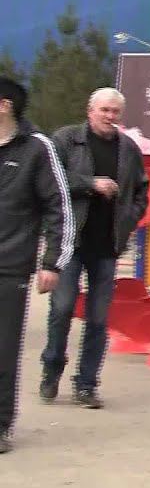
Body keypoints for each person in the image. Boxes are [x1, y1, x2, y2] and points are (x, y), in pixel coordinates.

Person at [41, 88, 149, 409]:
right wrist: (90, 183)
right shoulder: (66, 139)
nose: (110, 116)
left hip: (106, 247)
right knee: (62, 309)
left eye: (115, 111)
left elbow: (141, 191)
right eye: (104, 110)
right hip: (70, 242)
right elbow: (49, 180)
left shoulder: (128, 149)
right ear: (90, 111)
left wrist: (129, 219)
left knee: (98, 319)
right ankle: (52, 368)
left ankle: (86, 385)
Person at [0, 77, 72, 453]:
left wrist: (52, 262)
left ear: (4, 105)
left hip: (9, 267)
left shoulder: (37, 148)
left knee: (2, 350)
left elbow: (59, 206)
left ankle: (0, 425)